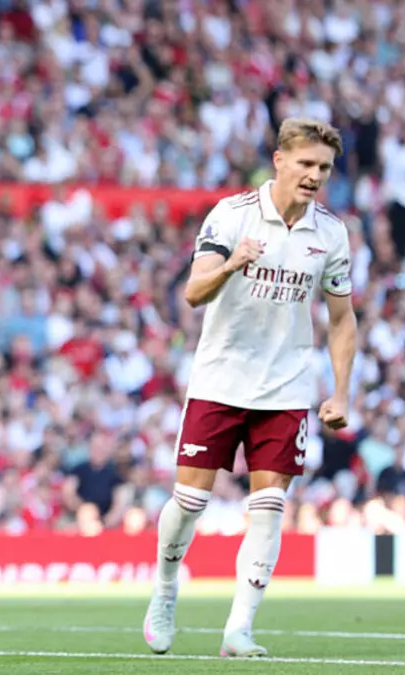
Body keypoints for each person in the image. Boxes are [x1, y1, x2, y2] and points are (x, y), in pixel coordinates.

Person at [143, 118, 357, 658]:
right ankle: (165, 590)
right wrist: (234, 263)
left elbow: (341, 319)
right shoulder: (232, 215)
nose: (314, 176)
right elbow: (193, 292)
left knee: (268, 509)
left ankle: (238, 629)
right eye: (306, 164)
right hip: (220, 378)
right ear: (280, 160)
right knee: (190, 501)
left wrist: (341, 391)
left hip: (285, 387)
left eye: (324, 168)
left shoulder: (331, 233)